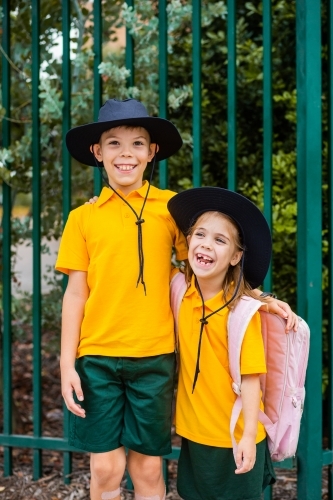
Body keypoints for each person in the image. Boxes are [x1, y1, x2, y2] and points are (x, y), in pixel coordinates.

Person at [56, 98, 296, 500]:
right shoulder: (84, 217)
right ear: (98, 153)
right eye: (113, 143)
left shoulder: (171, 209)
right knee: (105, 467)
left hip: (155, 358)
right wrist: (67, 364)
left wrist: (259, 298)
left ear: (152, 153)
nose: (126, 153)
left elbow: (204, 272)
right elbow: (76, 293)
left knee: (148, 469)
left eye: (137, 143)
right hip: (96, 356)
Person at [167, 187, 278, 500]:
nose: (206, 244)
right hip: (195, 432)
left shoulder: (242, 312)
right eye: (200, 234)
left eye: (220, 240)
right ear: (188, 241)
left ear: (236, 256)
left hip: (235, 435)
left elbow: (252, 379)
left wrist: (246, 437)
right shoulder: (179, 291)